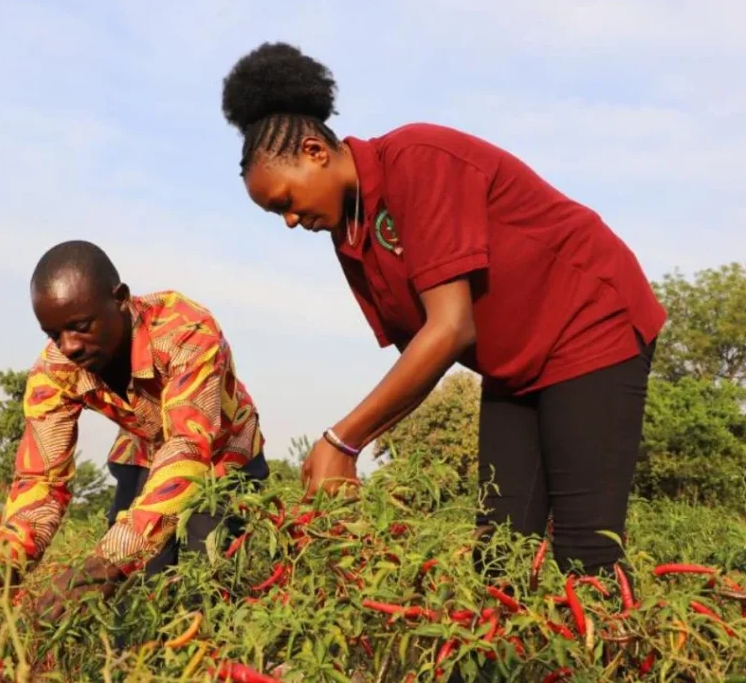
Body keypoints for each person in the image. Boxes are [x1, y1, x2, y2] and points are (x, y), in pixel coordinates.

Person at [218, 42, 666, 579]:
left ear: (315, 151)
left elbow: (451, 327)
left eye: (285, 202)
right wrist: (350, 448)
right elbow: (424, 356)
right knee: (500, 553)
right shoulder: (351, 233)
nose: (289, 221)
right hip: (515, 368)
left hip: (592, 326)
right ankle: (512, 665)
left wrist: (343, 440)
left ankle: (613, 656)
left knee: (585, 552)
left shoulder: (417, 160)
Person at [0, 240, 269, 620]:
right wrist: (2, 570)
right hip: (144, 451)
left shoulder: (184, 330)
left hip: (222, 456)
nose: (69, 346)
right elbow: (41, 478)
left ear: (120, 299)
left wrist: (108, 561)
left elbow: (189, 449)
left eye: (80, 327)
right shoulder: (54, 369)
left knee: (206, 583)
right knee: (136, 601)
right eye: (53, 334)